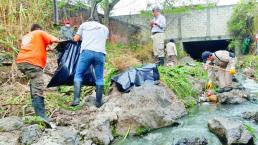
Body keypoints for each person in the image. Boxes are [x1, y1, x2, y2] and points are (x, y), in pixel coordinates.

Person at [16, 24, 60, 126]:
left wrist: (47, 49)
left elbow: (35, 48)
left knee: (33, 84)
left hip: (21, 62)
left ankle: (37, 114)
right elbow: (55, 40)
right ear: (39, 30)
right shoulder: (39, 32)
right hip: (33, 63)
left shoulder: (27, 36)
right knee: (38, 86)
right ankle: (41, 117)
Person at [71, 17, 109, 108]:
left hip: (86, 53)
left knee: (78, 75)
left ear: (89, 20)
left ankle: (76, 100)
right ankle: (98, 102)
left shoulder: (84, 25)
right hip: (100, 54)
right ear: (98, 21)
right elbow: (103, 40)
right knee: (99, 78)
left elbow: (76, 39)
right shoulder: (105, 28)